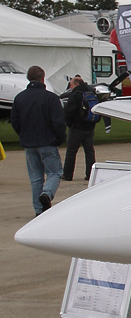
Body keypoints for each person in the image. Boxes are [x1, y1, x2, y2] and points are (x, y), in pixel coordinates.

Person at [10, 66, 66, 214]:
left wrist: (23, 134)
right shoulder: (51, 98)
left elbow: (15, 121)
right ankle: (47, 194)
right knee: (55, 172)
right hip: (47, 141)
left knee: (35, 178)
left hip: (29, 142)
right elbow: (58, 122)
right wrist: (60, 138)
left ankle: (39, 209)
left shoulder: (20, 98)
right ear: (43, 78)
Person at [62, 75, 100, 182]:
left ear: (76, 84)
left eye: (71, 85)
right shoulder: (92, 92)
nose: (70, 87)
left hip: (76, 128)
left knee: (71, 152)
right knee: (89, 151)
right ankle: (90, 174)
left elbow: (70, 112)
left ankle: (68, 174)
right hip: (90, 127)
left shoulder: (75, 95)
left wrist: (69, 124)